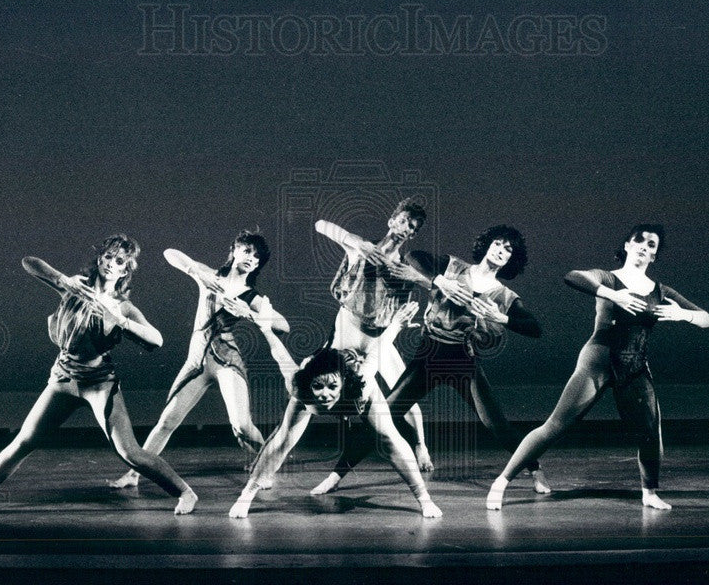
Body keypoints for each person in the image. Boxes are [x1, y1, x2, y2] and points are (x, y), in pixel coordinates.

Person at [0, 234, 198, 516]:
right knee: (23, 441)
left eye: (119, 261)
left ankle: (186, 492)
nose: (110, 263)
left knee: (129, 452)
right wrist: (62, 279)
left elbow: (156, 340)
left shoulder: (122, 306)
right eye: (107, 256)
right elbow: (29, 262)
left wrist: (120, 320)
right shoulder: (74, 289)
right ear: (99, 258)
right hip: (63, 380)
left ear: (125, 270)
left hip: (98, 385)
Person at [486, 224, 709, 512]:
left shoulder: (660, 291)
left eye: (651, 245)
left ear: (654, 256)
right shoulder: (608, 278)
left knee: (650, 430)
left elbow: (706, 318)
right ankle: (502, 481)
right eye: (639, 240)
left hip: (634, 365)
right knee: (556, 425)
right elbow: (574, 276)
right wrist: (612, 294)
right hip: (598, 358)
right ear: (628, 246)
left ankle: (649, 492)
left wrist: (683, 315)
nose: (644, 246)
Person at [316, 224, 548, 496]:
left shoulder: (504, 295)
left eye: (508, 249)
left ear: (511, 259)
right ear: (487, 245)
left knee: (495, 424)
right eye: (498, 243)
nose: (500, 251)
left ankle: (535, 469)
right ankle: (335, 476)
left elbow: (536, 328)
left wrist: (502, 318)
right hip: (429, 355)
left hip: (462, 359)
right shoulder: (453, 267)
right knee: (384, 416)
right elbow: (413, 257)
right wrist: (440, 281)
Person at [227, 301, 442, 519]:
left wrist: (395, 325)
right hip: (321, 375)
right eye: (318, 387)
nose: (324, 395)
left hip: (355, 387)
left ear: (344, 384)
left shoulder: (361, 384)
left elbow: (378, 352)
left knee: (389, 438)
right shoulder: (299, 386)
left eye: (332, 387)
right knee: (283, 440)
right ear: (310, 383)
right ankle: (246, 494)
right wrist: (265, 328)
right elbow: (279, 354)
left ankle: (424, 498)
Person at [109, 230, 288, 489]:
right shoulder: (210, 276)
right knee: (167, 420)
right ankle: (134, 474)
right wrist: (199, 273)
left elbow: (284, 325)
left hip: (227, 360)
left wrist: (249, 314)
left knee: (241, 425)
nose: (252, 258)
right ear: (235, 250)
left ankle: (266, 466)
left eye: (257, 257)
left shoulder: (252, 297)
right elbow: (170, 254)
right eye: (247, 251)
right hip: (197, 361)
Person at [316, 197, 434, 476]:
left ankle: (420, 445)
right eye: (405, 221)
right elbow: (321, 224)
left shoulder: (406, 266)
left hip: (380, 337)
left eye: (414, 228)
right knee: (326, 381)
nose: (408, 229)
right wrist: (355, 241)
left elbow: (437, 294)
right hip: (348, 326)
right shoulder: (361, 248)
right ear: (392, 220)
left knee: (405, 396)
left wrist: (417, 280)